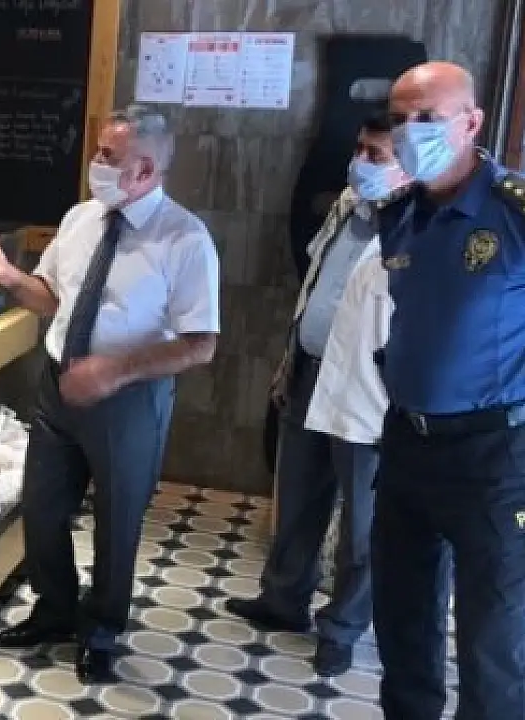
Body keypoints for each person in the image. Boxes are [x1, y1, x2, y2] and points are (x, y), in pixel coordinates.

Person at [0, 104, 220, 683]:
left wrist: (115, 371)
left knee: (117, 521)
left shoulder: (185, 238)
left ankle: (101, 629)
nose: (94, 163)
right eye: (98, 149)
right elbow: (53, 299)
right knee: (42, 508)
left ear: (144, 169)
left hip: (129, 401)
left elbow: (200, 345)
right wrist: (9, 278)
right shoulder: (79, 219)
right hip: (58, 386)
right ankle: (54, 610)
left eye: (107, 155)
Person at [226, 114, 409, 676]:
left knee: (362, 523)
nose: (360, 163)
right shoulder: (346, 208)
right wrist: (289, 359)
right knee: (298, 494)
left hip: (366, 392)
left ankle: (342, 628)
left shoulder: (415, 228)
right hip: (309, 370)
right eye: (360, 149)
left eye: (376, 155)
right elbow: (314, 286)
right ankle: (283, 599)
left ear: (408, 164)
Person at [372, 60, 525, 719]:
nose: (410, 131)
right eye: (399, 119)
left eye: (428, 118)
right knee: (403, 625)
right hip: (408, 444)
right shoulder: (400, 213)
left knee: (494, 642)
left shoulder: (513, 210)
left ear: (471, 123)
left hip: (496, 458)